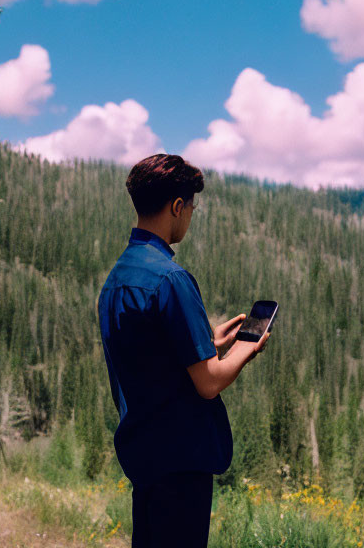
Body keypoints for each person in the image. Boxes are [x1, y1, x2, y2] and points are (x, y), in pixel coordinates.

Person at [97, 153, 270, 547]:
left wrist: (206, 342)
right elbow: (209, 383)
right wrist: (246, 347)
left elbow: (147, 353)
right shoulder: (171, 278)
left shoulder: (119, 277)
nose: (191, 216)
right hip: (180, 461)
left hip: (144, 458)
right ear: (177, 207)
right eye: (191, 206)